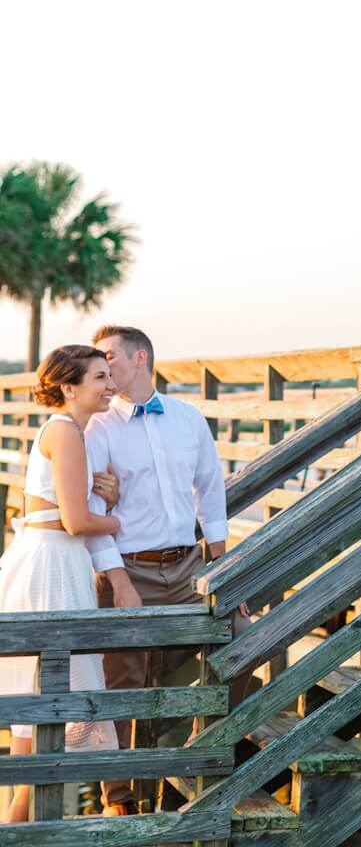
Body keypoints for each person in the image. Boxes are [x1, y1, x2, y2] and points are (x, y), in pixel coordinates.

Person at [85, 324, 248, 816]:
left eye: (109, 355)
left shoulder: (188, 418)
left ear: (139, 358)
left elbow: (211, 492)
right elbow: (92, 509)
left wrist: (223, 566)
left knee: (242, 635)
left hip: (188, 567)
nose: (103, 364)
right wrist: (117, 580)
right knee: (122, 681)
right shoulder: (98, 427)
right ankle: (120, 797)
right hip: (128, 568)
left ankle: (202, 742)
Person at [0, 346, 122, 824]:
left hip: (53, 559)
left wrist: (103, 494)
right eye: (100, 377)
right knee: (51, 690)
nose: (110, 385)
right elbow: (75, 521)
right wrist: (115, 519)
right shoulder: (66, 432)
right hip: (52, 564)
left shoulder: (71, 432)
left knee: (42, 693)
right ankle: (20, 815)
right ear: (69, 387)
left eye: (110, 375)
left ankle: (20, 814)